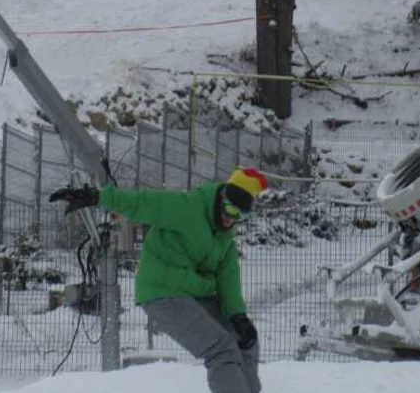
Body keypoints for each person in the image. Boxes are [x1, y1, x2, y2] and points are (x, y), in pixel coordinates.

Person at [50, 167, 267, 393]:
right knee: (222, 350)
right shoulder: (187, 207)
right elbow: (142, 203)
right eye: (230, 209)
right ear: (221, 198)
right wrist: (97, 196)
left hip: (195, 293)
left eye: (241, 215)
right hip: (163, 293)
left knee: (246, 341)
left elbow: (228, 278)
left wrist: (238, 316)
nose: (231, 219)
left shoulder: (225, 237)